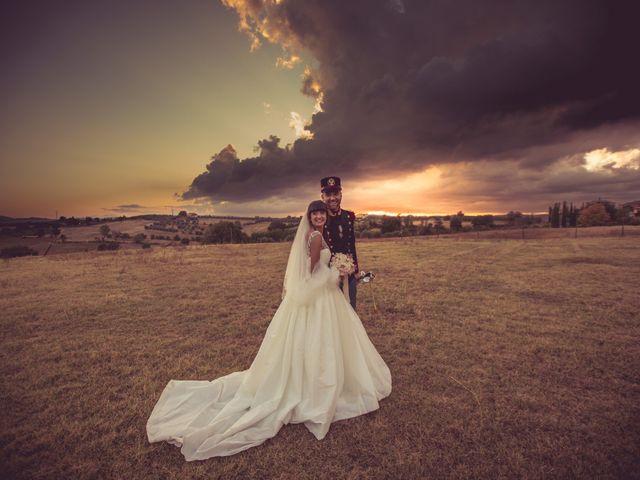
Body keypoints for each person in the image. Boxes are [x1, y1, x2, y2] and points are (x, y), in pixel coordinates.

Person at [146, 200, 392, 461]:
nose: (320, 216)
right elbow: (312, 275)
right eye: (316, 213)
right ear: (310, 217)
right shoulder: (317, 236)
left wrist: (337, 268)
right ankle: (318, 385)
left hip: (314, 298)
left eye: (321, 213)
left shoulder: (310, 235)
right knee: (324, 341)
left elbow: (309, 271)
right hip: (320, 298)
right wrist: (336, 272)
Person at [320, 176, 359, 310]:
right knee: (332, 313)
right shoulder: (319, 218)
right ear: (322, 196)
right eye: (328, 194)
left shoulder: (348, 216)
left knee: (351, 308)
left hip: (349, 273)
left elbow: (351, 243)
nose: (332, 198)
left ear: (341, 194)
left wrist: (356, 269)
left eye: (335, 193)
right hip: (327, 275)